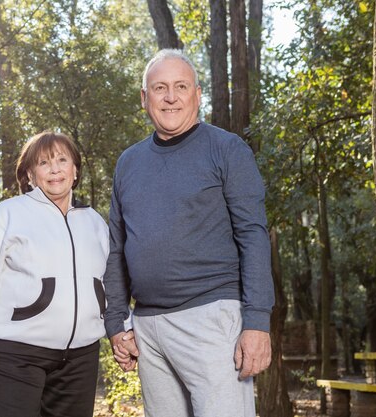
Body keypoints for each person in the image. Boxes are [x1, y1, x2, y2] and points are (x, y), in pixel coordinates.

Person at [104, 48, 274, 417]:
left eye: (181, 86)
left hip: (212, 317)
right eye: (160, 87)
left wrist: (258, 322)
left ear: (197, 94)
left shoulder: (227, 150)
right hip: (147, 326)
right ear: (144, 98)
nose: (170, 97)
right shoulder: (128, 163)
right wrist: (116, 322)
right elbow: (116, 248)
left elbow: (253, 236)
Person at [0, 131, 109, 417]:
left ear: (75, 170)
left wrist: (122, 327)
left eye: (62, 160)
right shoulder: (9, 214)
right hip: (15, 357)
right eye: (44, 163)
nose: (55, 169)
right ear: (31, 175)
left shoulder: (95, 222)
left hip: (80, 359)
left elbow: (110, 286)